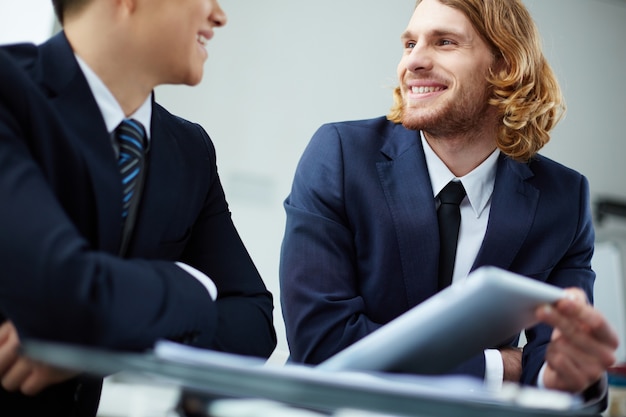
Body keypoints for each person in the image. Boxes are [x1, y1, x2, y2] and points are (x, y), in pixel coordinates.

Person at [280, 0, 618, 408]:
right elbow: (322, 345)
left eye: (444, 42)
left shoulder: (563, 199)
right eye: (409, 44)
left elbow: (561, 369)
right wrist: (503, 368)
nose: (414, 61)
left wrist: (563, 374)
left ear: (505, 65)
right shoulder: (338, 155)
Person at [0, 0, 276, 415]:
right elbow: (63, 294)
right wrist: (191, 285)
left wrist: (99, 331)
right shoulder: (7, 92)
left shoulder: (189, 150)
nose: (220, 15)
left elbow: (254, 323)